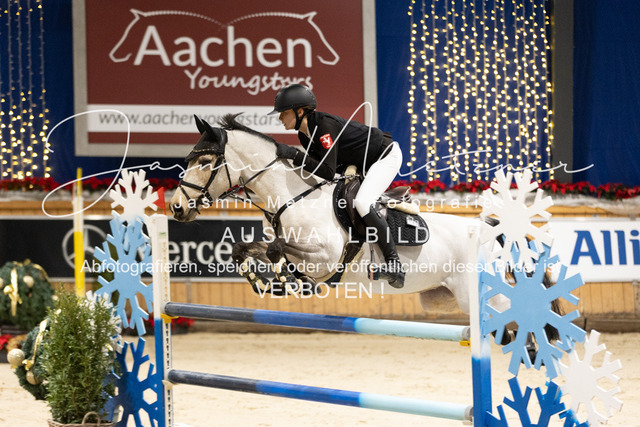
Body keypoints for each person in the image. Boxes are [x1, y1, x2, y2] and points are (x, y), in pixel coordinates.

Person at [268, 84, 405, 288]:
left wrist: (294, 155)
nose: (280, 118)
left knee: (363, 202)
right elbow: (318, 169)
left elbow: (327, 171)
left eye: (284, 113)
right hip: (362, 164)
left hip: (384, 156)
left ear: (300, 111)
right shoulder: (304, 135)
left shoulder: (323, 126)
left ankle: (394, 266)